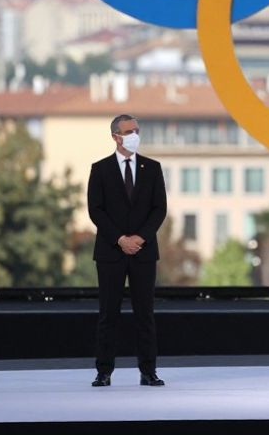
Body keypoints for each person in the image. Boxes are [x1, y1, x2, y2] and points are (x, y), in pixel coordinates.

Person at [88, 114, 167, 387]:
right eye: (128, 131)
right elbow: (95, 210)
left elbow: (160, 209)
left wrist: (140, 238)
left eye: (136, 130)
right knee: (108, 314)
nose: (134, 135)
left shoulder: (152, 168)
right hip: (111, 252)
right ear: (115, 136)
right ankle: (104, 371)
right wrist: (121, 238)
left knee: (144, 313)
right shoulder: (100, 169)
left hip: (144, 252)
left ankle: (148, 371)